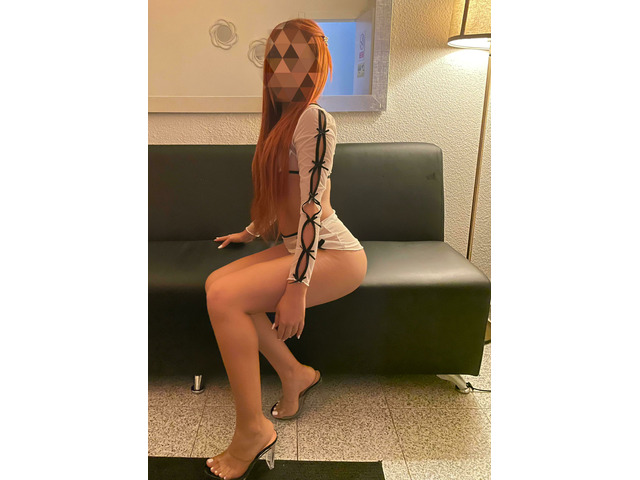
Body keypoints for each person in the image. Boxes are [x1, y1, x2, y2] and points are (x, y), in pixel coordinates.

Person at [203, 18, 367, 480]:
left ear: (316, 64)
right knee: (217, 282)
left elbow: (312, 207)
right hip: (300, 246)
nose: (281, 67)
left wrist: (297, 287)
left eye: (295, 57)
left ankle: (252, 430)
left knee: (226, 298)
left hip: (334, 254)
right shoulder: (283, 120)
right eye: (276, 55)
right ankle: (295, 373)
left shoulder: (315, 118)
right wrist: (251, 232)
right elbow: (281, 196)